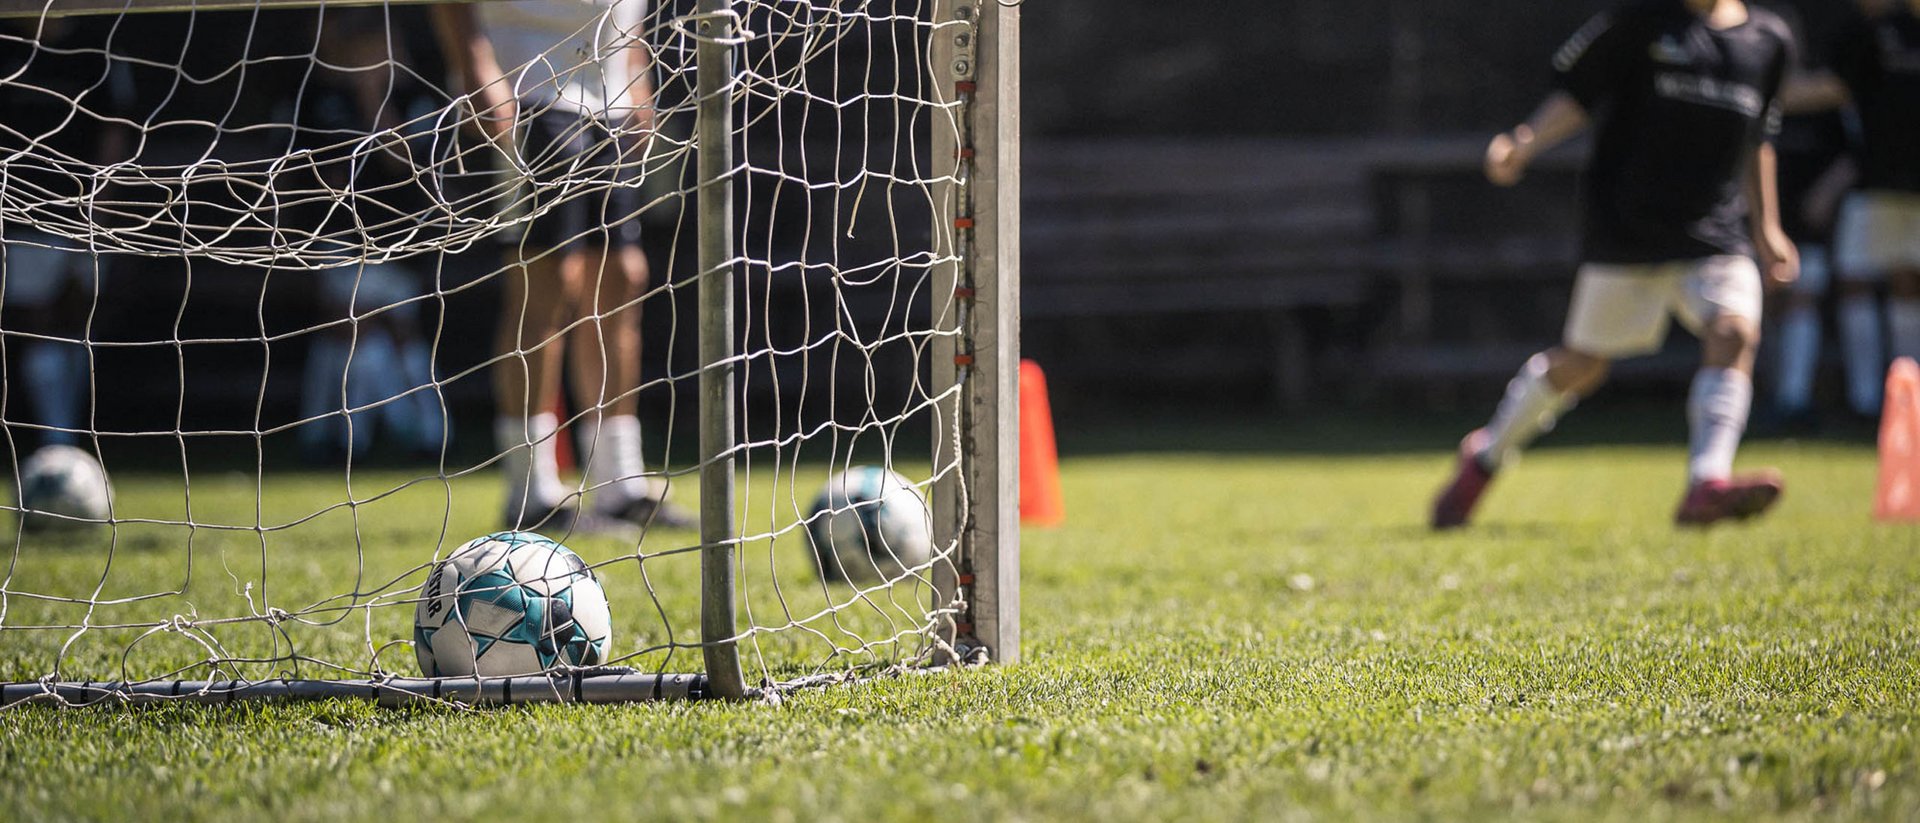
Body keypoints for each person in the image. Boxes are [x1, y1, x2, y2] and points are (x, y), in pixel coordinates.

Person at [1432, 0, 1800, 529]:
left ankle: (1706, 483)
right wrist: (1523, 143)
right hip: (1629, 231)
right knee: (1582, 366)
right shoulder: (1641, 22)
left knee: (1735, 332)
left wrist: (1768, 229)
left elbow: (1759, 140)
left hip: (1717, 234)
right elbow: (1578, 94)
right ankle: (1486, 457)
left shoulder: (1769, 40)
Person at [433, 0, 694, 533]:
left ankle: (619, 484)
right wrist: (476, 65)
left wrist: (637, 70)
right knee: (547, 285)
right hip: (531, 91)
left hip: (612, 101)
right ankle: (532, 492)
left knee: (623, 277)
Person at [1787, 0, 1920, 416]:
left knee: (1908, 282)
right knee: (1854, 281)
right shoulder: (1875, 33)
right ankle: (1867, 400)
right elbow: (1836, 87)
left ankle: (1908, 400)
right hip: (1876, 180)